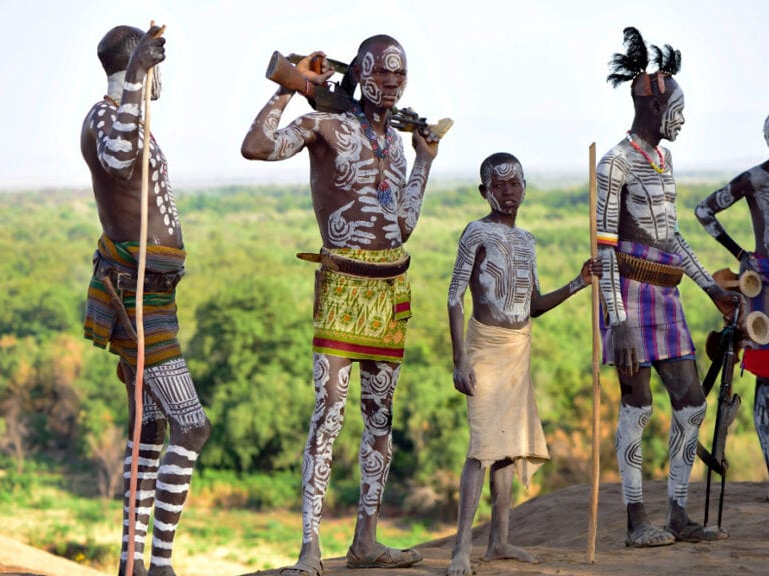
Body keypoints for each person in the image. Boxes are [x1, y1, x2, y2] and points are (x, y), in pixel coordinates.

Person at [241, 35, 440, 576]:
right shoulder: (324, 126)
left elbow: (403, 225)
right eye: (384, 74)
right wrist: (288, 88)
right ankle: (309, 550)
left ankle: (366, 542)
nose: (393, 85)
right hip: (342, 289)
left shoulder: (396, 145)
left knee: (381, 419)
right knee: (329, 415)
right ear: (362, 74)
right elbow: (256, 148)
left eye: (402, 77)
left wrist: (423, 162)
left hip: (388, 289)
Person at [596, 27, 739, 547]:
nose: (681, 117)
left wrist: (710, 289)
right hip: (628, 295)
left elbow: (671, 234)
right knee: (638, 403)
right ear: (654, 109)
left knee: (691, 401)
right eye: (677, 107)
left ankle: (677, 512)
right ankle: (637, 521)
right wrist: (619, 321)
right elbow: (604, 246)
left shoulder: (665, 160)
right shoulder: (615, 162)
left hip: (667, 294)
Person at [80, 25, 211, 576]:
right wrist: (137, 73)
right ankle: (157, 565)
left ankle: (134, 563)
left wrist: (137, 78)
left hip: (151, 293)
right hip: (137, 300)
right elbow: (117, 159)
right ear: (131, 65)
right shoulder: (106, 118)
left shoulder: (125, 115)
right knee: (192, 423)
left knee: (149, 426)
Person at [446, 153, 600, 575]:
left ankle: (500, 541)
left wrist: (579, 282)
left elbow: (532, 305)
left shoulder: (529, 241)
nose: (508, 193)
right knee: (481, 448)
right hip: (486, 348)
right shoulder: (475, 233)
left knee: (509, 447)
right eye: (499, 186)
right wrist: (459, 360)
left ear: (525, 187)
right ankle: (461, 548)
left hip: (518, 348)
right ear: (485, 191)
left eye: (515, 184)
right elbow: (454, 296)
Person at [695, 108, 769, 504]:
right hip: (765, 290)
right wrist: (739, 253)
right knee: (767, 387)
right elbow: (703, 210)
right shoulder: (754, 179)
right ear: (765, 139)